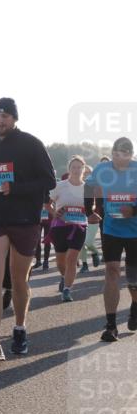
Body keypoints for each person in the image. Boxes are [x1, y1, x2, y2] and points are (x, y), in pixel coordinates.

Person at [0, 99, 56, 362]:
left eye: (6, 116)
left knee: (18, 279)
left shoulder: (31, 143)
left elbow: (49, 180)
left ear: (15, 119)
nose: (0, 120)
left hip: (25, 219)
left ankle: (20, 329)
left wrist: (17, 187)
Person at [84, 138, 137, 341]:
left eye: (123, 155)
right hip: (111, 228)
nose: (118, 159)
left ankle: (135, 307)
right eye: (115, 154)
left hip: (135, 232)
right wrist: (90, 211)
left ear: (130, 155)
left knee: (133, 280)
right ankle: (111, 325)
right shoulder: (102, 169)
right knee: (112, 271)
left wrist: (133, 209)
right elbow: (89, 188)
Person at [48, 156, 88, 302]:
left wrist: (90, 211)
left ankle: (67, 289)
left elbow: (92, 206)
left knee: (71, 258)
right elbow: (47, 203)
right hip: (60, 227)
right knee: (61, 262)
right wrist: (54, 212)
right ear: (69, 169)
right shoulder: (60, 185)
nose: (76, 170)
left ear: (83, 169)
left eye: (79, 167)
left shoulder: (87, 187)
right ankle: (64, 277)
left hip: (79, 227)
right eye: (74, 167)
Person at [79, 164, 102, 273]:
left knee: (88, 242)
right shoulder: (75, 185)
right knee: (81, 243)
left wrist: (93, 210)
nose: (85, 175)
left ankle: (95, 252)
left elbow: (98, 202)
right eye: (84, 172)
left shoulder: (94, 185)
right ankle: (84, 265)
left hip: (92, 217)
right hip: (78, 217)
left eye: (88, 173)